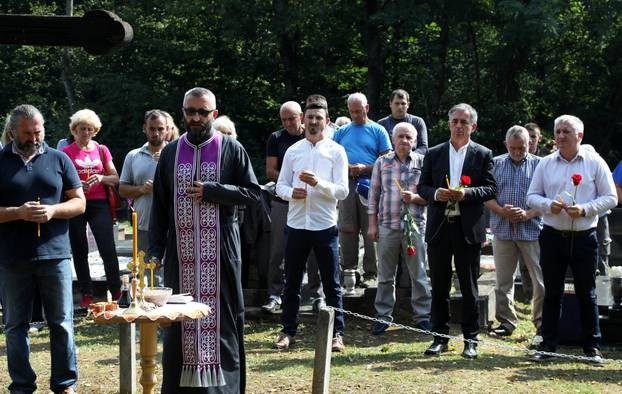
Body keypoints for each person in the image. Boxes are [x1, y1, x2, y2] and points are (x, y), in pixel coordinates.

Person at [149, 87, 260, 392]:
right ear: (182, 113)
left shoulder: (231, 149)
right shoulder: (171, 153)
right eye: (190, 111)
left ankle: (222, 389)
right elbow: (159, 206)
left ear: (214, 112)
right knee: (178, 320)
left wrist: (214, 190)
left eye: (202, 111)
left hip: (221, 255)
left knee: (222, 320)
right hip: (180, 256)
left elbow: (253, 193)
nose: (196, 117)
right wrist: (154, 250)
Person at [0, 104, 86, 394]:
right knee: (15, 326)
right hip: (12, 256)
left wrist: (53, 210)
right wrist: (17, 212)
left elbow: (79, 202)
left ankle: (64, 384)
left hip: (56, 254)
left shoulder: (59, 159)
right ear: (12, 131)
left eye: (38, 131)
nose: (34, 137)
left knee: (62, 322)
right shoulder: (0, 161)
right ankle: (22, 385)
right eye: (27, 133)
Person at [527, 115, 617, 363]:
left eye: (567, 131)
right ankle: (548, 345)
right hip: (553, 235)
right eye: (557, 131)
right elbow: (531, 196)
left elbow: (611, 197)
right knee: (552, 293)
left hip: (584, 237)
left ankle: (592, 347)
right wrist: (548, 205)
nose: (560, 136)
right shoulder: (545, 163)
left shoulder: (594, 162)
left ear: (580, 136)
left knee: (587, 293)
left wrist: (586, 209)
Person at [418, 103, 496, 359]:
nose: (459, 126)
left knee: (469, 287)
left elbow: (490, 189)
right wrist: (435, 193)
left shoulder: (483, 154)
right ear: (449, 124)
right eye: (455, 121)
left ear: (473, 126)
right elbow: (422, 187)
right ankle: (439, 337)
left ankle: (470, 339)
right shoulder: (434, 153)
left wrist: (466, 193)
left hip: (467, 229)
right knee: (439, 286)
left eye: (464, 122)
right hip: (440, 228)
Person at [274, 101, 348, 351]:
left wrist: (318, 183)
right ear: (303, 120)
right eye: (310, 117)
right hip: (296, 224)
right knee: (292, 282)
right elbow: (279, 185)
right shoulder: (293, 151)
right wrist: (290, 193)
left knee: (332, 283)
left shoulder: (336, 151)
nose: (314, 122)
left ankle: (337, 334)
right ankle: (288, 331)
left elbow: (343, 191)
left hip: (324, 226)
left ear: (327, 121)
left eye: (319, 117)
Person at [367, 122, 431, 335]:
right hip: (388, 225)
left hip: (415, 226)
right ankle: (383, 316)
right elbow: (373, 195)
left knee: (419, 274)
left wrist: (415, 198)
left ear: (414, 141)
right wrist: (372, 225)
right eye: (400, 136)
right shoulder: (381, 162)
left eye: (408, 137)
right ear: (393, 139)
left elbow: (432, 196)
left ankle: (423, 316)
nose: (404, 140)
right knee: (385, 275)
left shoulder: (424, 162)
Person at [484, 126, 544, 344]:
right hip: (503, 228)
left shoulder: (540, 165)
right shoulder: (495, 163)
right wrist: (502, 211)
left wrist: (528, 213)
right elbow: (485, 194)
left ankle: (541, 322)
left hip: (533, 229)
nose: (517, 152)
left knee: (540, 280)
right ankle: (506, 322)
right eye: (513, 148)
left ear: (530, 143)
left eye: (522, 147)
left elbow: (548, 198)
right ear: (506, 145)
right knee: (503, 280)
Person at [263, 101, 324, 313]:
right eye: (284, 119)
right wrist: (292, 183)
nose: (288, 123)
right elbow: (271, 172)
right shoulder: (276, 138)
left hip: (312, 202)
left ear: (301, 117)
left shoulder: (315, 137)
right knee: (278, 249)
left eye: (292, 118)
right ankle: (275, 294)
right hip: (283, 201)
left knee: (316, 250)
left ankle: (317, 295)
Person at [62, 109, 121, 308]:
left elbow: (115, 178)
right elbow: (59, 181)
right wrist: (76, 184)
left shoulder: (102, 150)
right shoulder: (66, 152)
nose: (86, 133)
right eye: (81, 129)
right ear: (74, 130)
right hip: (76, 203)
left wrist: (102, 178)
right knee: (79, 249)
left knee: (107, 248)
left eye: (89, 129)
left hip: (99, 203)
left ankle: (116, 290)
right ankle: (86, 293)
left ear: (95, 131)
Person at [333, 92, 392, 288]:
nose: (355, 115)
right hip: (347, 183)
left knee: (370, 229)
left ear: (367, 108)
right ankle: (348, 271)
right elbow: (331, 156)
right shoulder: (342, 131)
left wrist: (365, 168)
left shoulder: (378, 130)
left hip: (371, 184)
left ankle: (371, 273)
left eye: (358, 111)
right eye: (351, 112)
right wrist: (346, 168)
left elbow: (387, 160)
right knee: (346, 227)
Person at [119, 110, 168, 284]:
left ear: (167, 129)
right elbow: (122, 190)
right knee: (146, 274)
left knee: (170, 273)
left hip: (173, 225)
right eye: (152, 128)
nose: (156, 133)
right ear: (144, 129)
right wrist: (141, 189)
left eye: (160, 129)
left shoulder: (176, 154)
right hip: (143, 225)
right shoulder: (133, 156)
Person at [377, 89, 428, 154]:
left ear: (408, 105)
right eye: (397, 103)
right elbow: (377, 148)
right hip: (389, 161)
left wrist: (409, 158)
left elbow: (423, 147)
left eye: (403, 103)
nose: (400, 107)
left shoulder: (417, 122)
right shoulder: (381, 124)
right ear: (390, 104)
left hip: (414, 161)